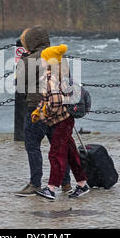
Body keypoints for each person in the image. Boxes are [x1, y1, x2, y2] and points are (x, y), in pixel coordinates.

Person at [15, 26, 72, 197]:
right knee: (59, 146)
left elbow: (20, 88)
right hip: (58, 109)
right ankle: (66, 182)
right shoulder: (59, 58)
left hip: (36, 110)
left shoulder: (27, 61)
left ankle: (35, 183)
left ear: (30, 42)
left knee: (33, 146)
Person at [32, 44, 89, 200]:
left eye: (43, 58)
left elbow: (55, 102)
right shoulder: (56, 75)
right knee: (70, 153)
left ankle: (51, 188)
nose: (41, 60)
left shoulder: (51, 78)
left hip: (62, 121)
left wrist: (43, 114)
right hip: (66, 119)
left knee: (56, 154)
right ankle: (82, 184)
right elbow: (46, 99)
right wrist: (38, 110)